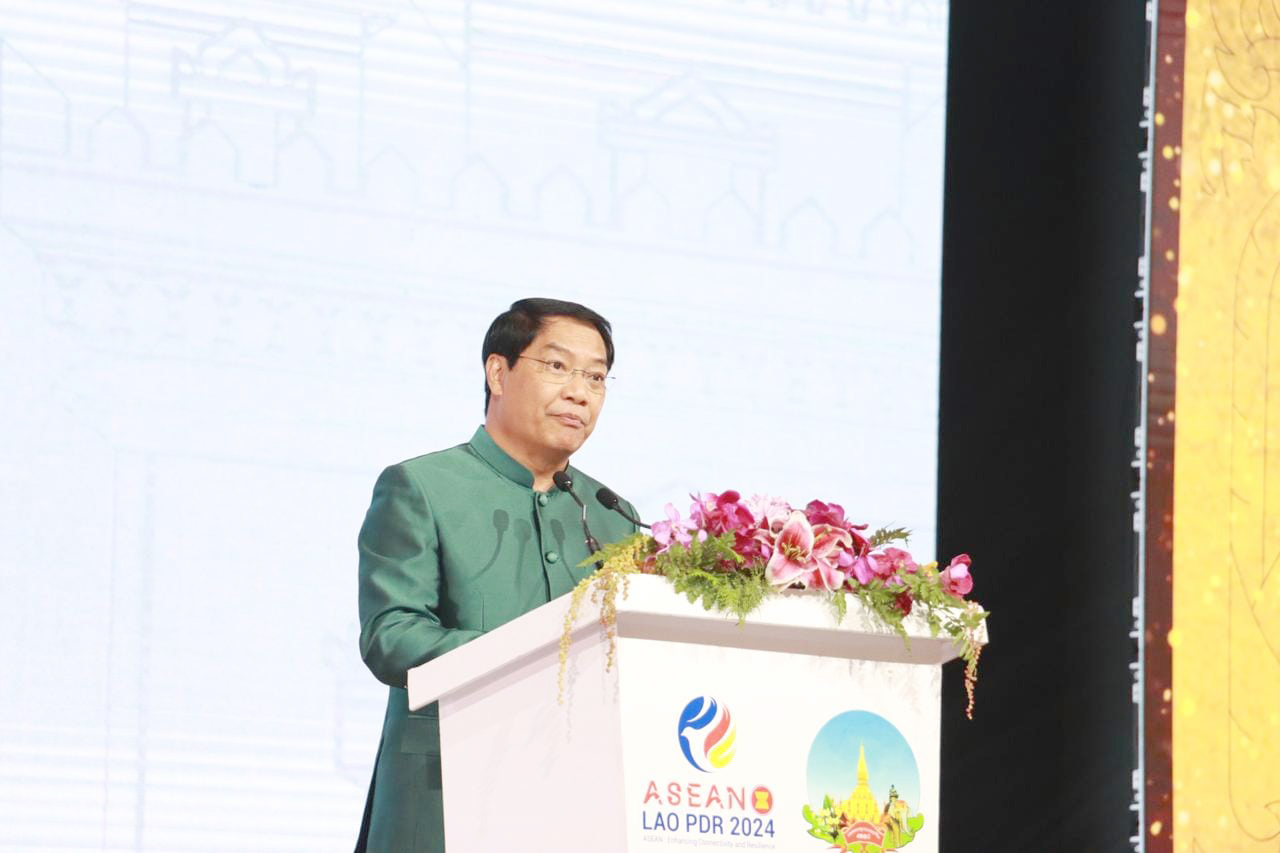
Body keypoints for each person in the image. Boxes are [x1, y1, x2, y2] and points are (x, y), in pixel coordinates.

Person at [353, 298, 639, 851]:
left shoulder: (613, 515)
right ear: (498, 373)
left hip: (580, 804)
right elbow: (391, 637)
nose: (580, 392)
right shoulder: (422, 487)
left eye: (596, 377)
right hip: (445, 797)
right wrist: (530, 659)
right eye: (558, 366)